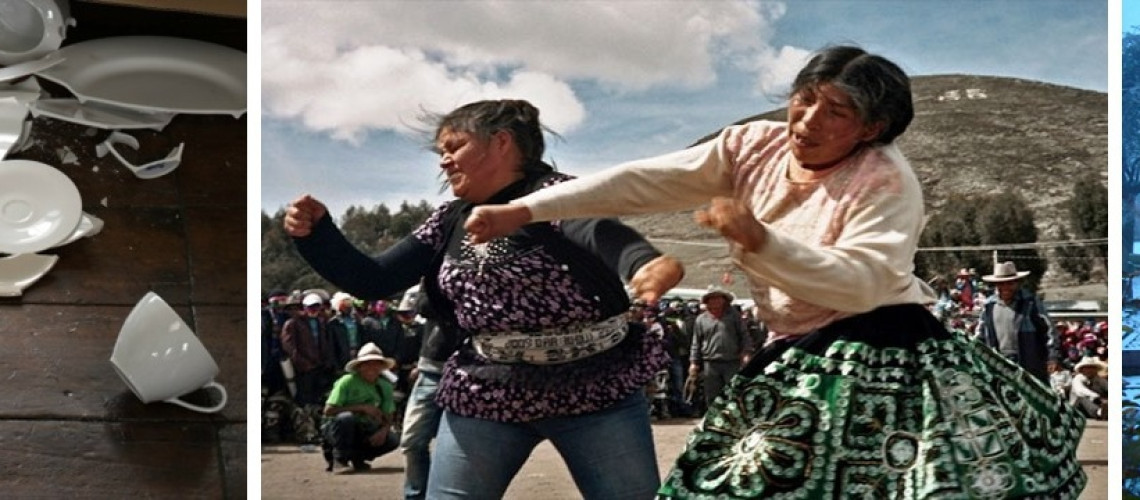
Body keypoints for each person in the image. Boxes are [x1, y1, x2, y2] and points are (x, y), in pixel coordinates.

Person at [464, 45, 1086, 498]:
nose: (808, 122)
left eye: (836, 113)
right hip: (797, 348)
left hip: (885, 344)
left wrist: (762, 241)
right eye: (805, 99)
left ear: (871, 129)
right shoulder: (752, 146)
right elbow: (647, 180)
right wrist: (526, 207)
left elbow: (862, 280)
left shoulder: (885, 181)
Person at [284, 99, 683, 498]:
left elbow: (597, 229)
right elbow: (374, 280)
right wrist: (317, 236)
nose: (444, 161)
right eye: (442, 152)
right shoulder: (447, 221)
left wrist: (641, 262)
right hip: (488, 392)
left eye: (454, 147)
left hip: (596, 389)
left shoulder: (558, 195)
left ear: (501, 142)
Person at [322, 342, 401, 471]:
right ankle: (340, 459)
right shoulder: (347, 382)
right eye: (367, 363)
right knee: (346, 418)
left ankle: (358, 458)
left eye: (376, 363)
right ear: (359, 366)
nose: (372, 367)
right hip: (339, 428)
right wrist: (362, 407)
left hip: (365, 428)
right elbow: (329, 410)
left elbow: (388, 415)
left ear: (381, 367)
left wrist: (384, 430)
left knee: (392, 440)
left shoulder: (385, 386)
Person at [974, 261, 1054, 382]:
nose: (1006, 287)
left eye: (1010, 283)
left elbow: (1049, 331)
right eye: (1001, 284)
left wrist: (1052, 357)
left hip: (1029, 363)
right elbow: (980, 335)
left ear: (1017, 283)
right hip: (1000, 363)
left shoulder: (1030, 303)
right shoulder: (989, 306)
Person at [687, 288, 751, 407]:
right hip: (710, 363)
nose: (716, 301)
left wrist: (746, 353)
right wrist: (693, 362)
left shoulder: (734, 317)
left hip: (732, 361)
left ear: (724, 301)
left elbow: (744, 335)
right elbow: (696, 342)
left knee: (733, 393)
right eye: (712, 299)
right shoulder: (701, 320)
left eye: (718, 298)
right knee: (712, 395)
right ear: (707, 302)